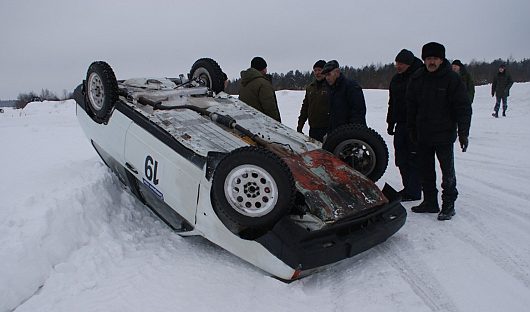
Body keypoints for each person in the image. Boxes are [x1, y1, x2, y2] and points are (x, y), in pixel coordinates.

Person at [406, 42, 472, 221]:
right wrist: (411, 128)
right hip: (423, 134)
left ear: (441, 60)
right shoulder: (418, 78)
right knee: (425, 170)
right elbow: (411, 106)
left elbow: (463, 107)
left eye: (435, 58)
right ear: (424, 60)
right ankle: (430, 202)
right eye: (428, 59)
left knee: (447, 172)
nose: (431, 62)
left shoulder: (452, 79)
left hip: (444, 134)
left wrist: (463, 133)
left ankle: (448, 204)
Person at [387, 49, 423, 202]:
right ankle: (408, 186)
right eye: (397, 63)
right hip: (400, 123)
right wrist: (390, 122)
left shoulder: (419, 77)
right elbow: (392, 102)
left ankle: (414, 190)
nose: (398, 66)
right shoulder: (396, 79)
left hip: (416, 124)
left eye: (401, 63)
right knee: (401, 157)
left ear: (408, 63)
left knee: (413, 157)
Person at [321, 60, 366, 133]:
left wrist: (352, 134)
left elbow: (358, 112)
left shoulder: (351, 86)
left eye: (329, 74)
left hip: (351, 134)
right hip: (336, 133)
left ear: (337, 72)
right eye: (325, 75)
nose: (327, 78)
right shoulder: (331, 89)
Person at [239, 56, 281, 122]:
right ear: (263, 68)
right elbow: (270, 108)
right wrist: (278, 124)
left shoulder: (244, 83)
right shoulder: (263, 84)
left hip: (246, 122)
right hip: (263, 124)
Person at [296, 60, 330, 142]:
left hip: (328, 128)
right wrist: (300, 125)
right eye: (315, 70)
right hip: (313, 128)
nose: (317, 73)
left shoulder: (331, 86)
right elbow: (305, 107)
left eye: (319, 70)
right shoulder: (310, 88)